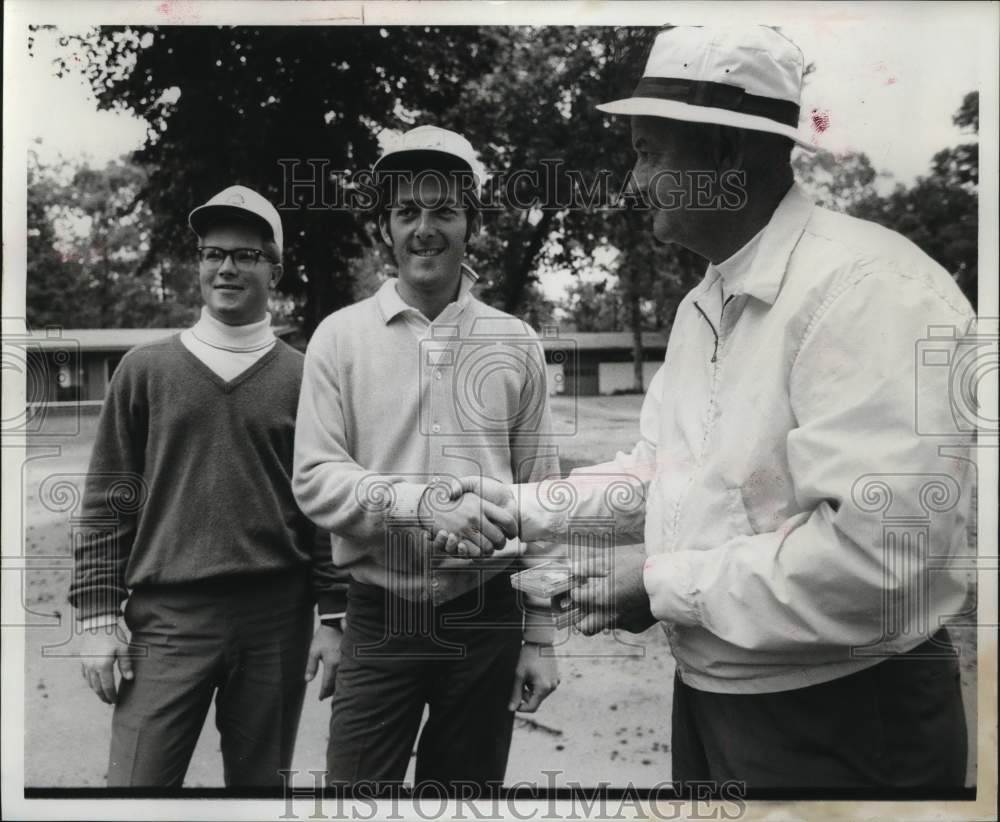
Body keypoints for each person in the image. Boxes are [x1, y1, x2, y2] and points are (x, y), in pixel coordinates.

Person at [451, 26, 975, 789]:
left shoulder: (869, 289)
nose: (632, 184)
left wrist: (658, 585)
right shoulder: (709, 300)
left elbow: (879, 556)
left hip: (846, 717)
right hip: (715, 701)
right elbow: (664, 476)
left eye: (647, 151)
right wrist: (523, 506)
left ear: (729, 157)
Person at [292, 125, 561, 789]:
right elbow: (317, 480)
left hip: (486, 616)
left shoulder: (515, 340)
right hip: (381, 616)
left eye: (443, 210)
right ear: (386, 227)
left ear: (472, 223)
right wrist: (419, 506)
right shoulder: (339, 338)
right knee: (355, 797)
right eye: (407, 211)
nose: (424, 228)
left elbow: (542, 494)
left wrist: (540, 635)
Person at [70, 185, 347, 788]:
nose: (226, 267)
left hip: (276, 617)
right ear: (197, 264)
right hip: (168, 618)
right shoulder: (145, 370)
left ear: (275, 270)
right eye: (212, 253)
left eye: (246, 255)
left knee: (257, 792)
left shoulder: (307, 377)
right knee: (135, 788)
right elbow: (106, 501)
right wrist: (94, 618)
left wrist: (335, 617)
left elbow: (324, 508)